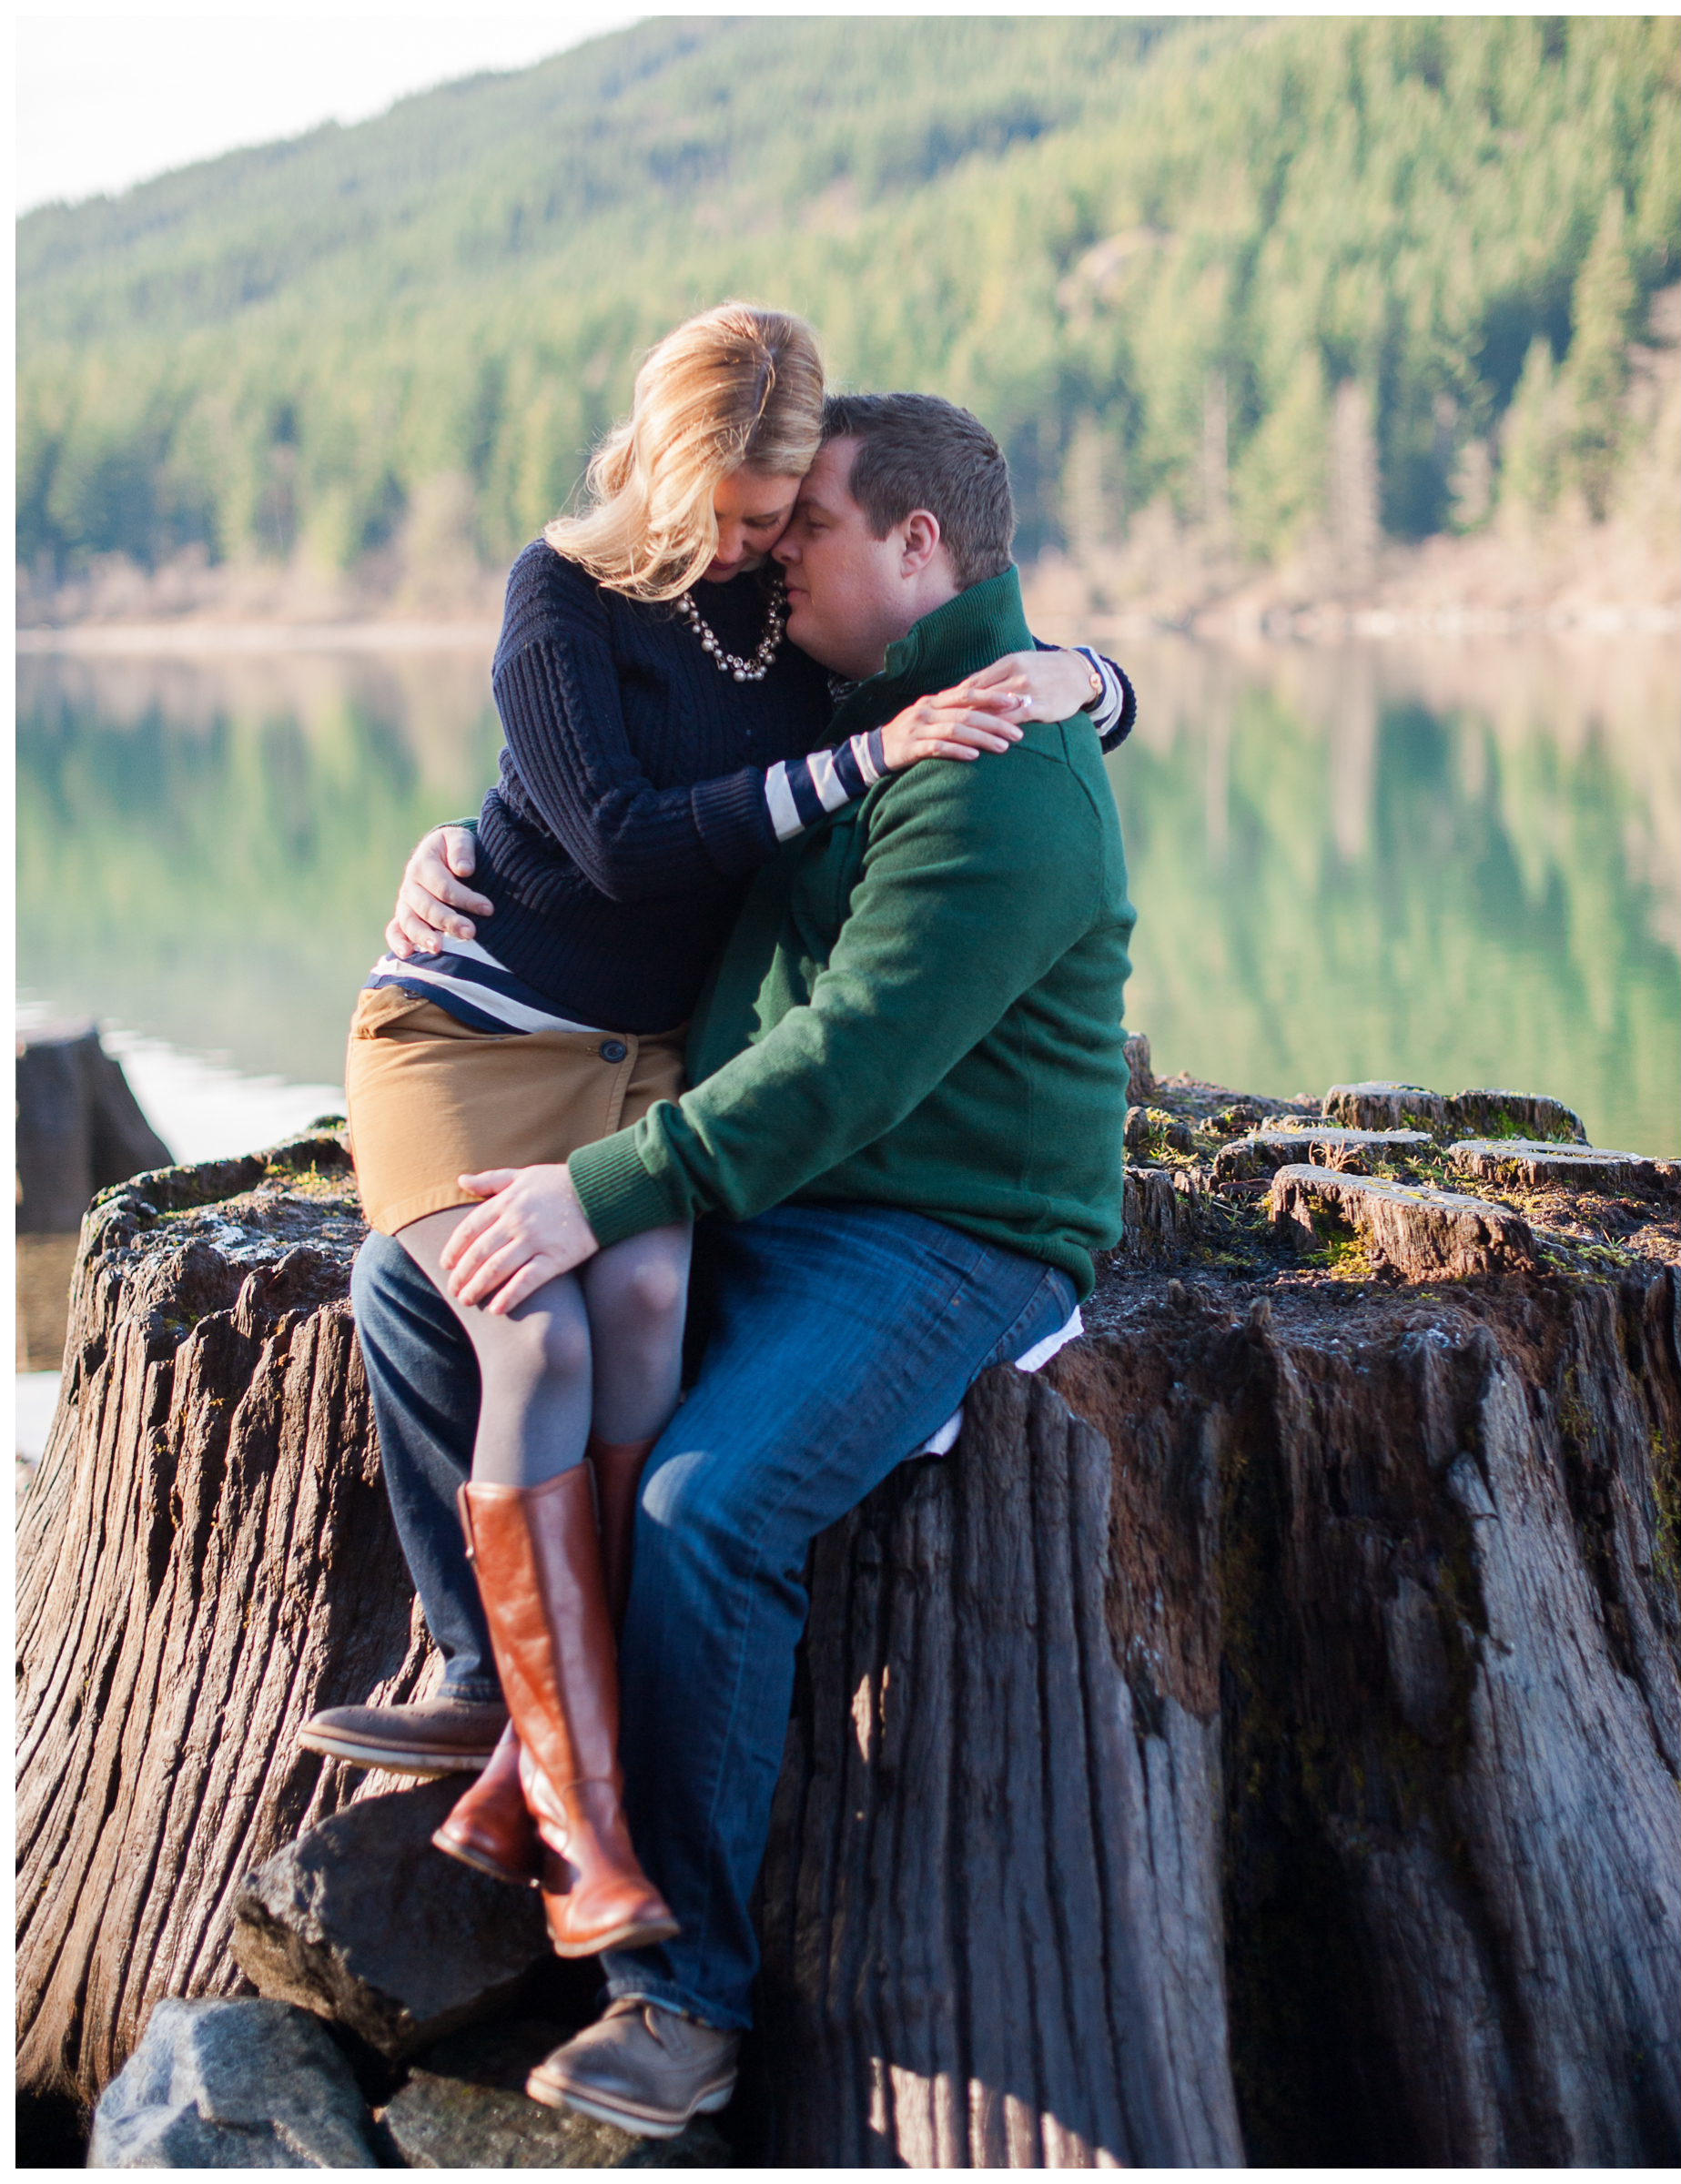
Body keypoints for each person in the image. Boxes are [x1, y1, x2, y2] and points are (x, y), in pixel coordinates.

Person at [335, 388, 1133, 2135]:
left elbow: (852, 1059)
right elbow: (619, 814)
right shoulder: (855, 701)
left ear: (916, 545)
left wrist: (604, 1188)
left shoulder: (1002, 768)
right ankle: (510, 1711)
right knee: (411, 1283)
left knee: (710, 1506)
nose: (771, 567)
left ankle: (679, 1999)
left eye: (810, 531)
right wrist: (463, 859)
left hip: (945, 1223)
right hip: (773, 1189)